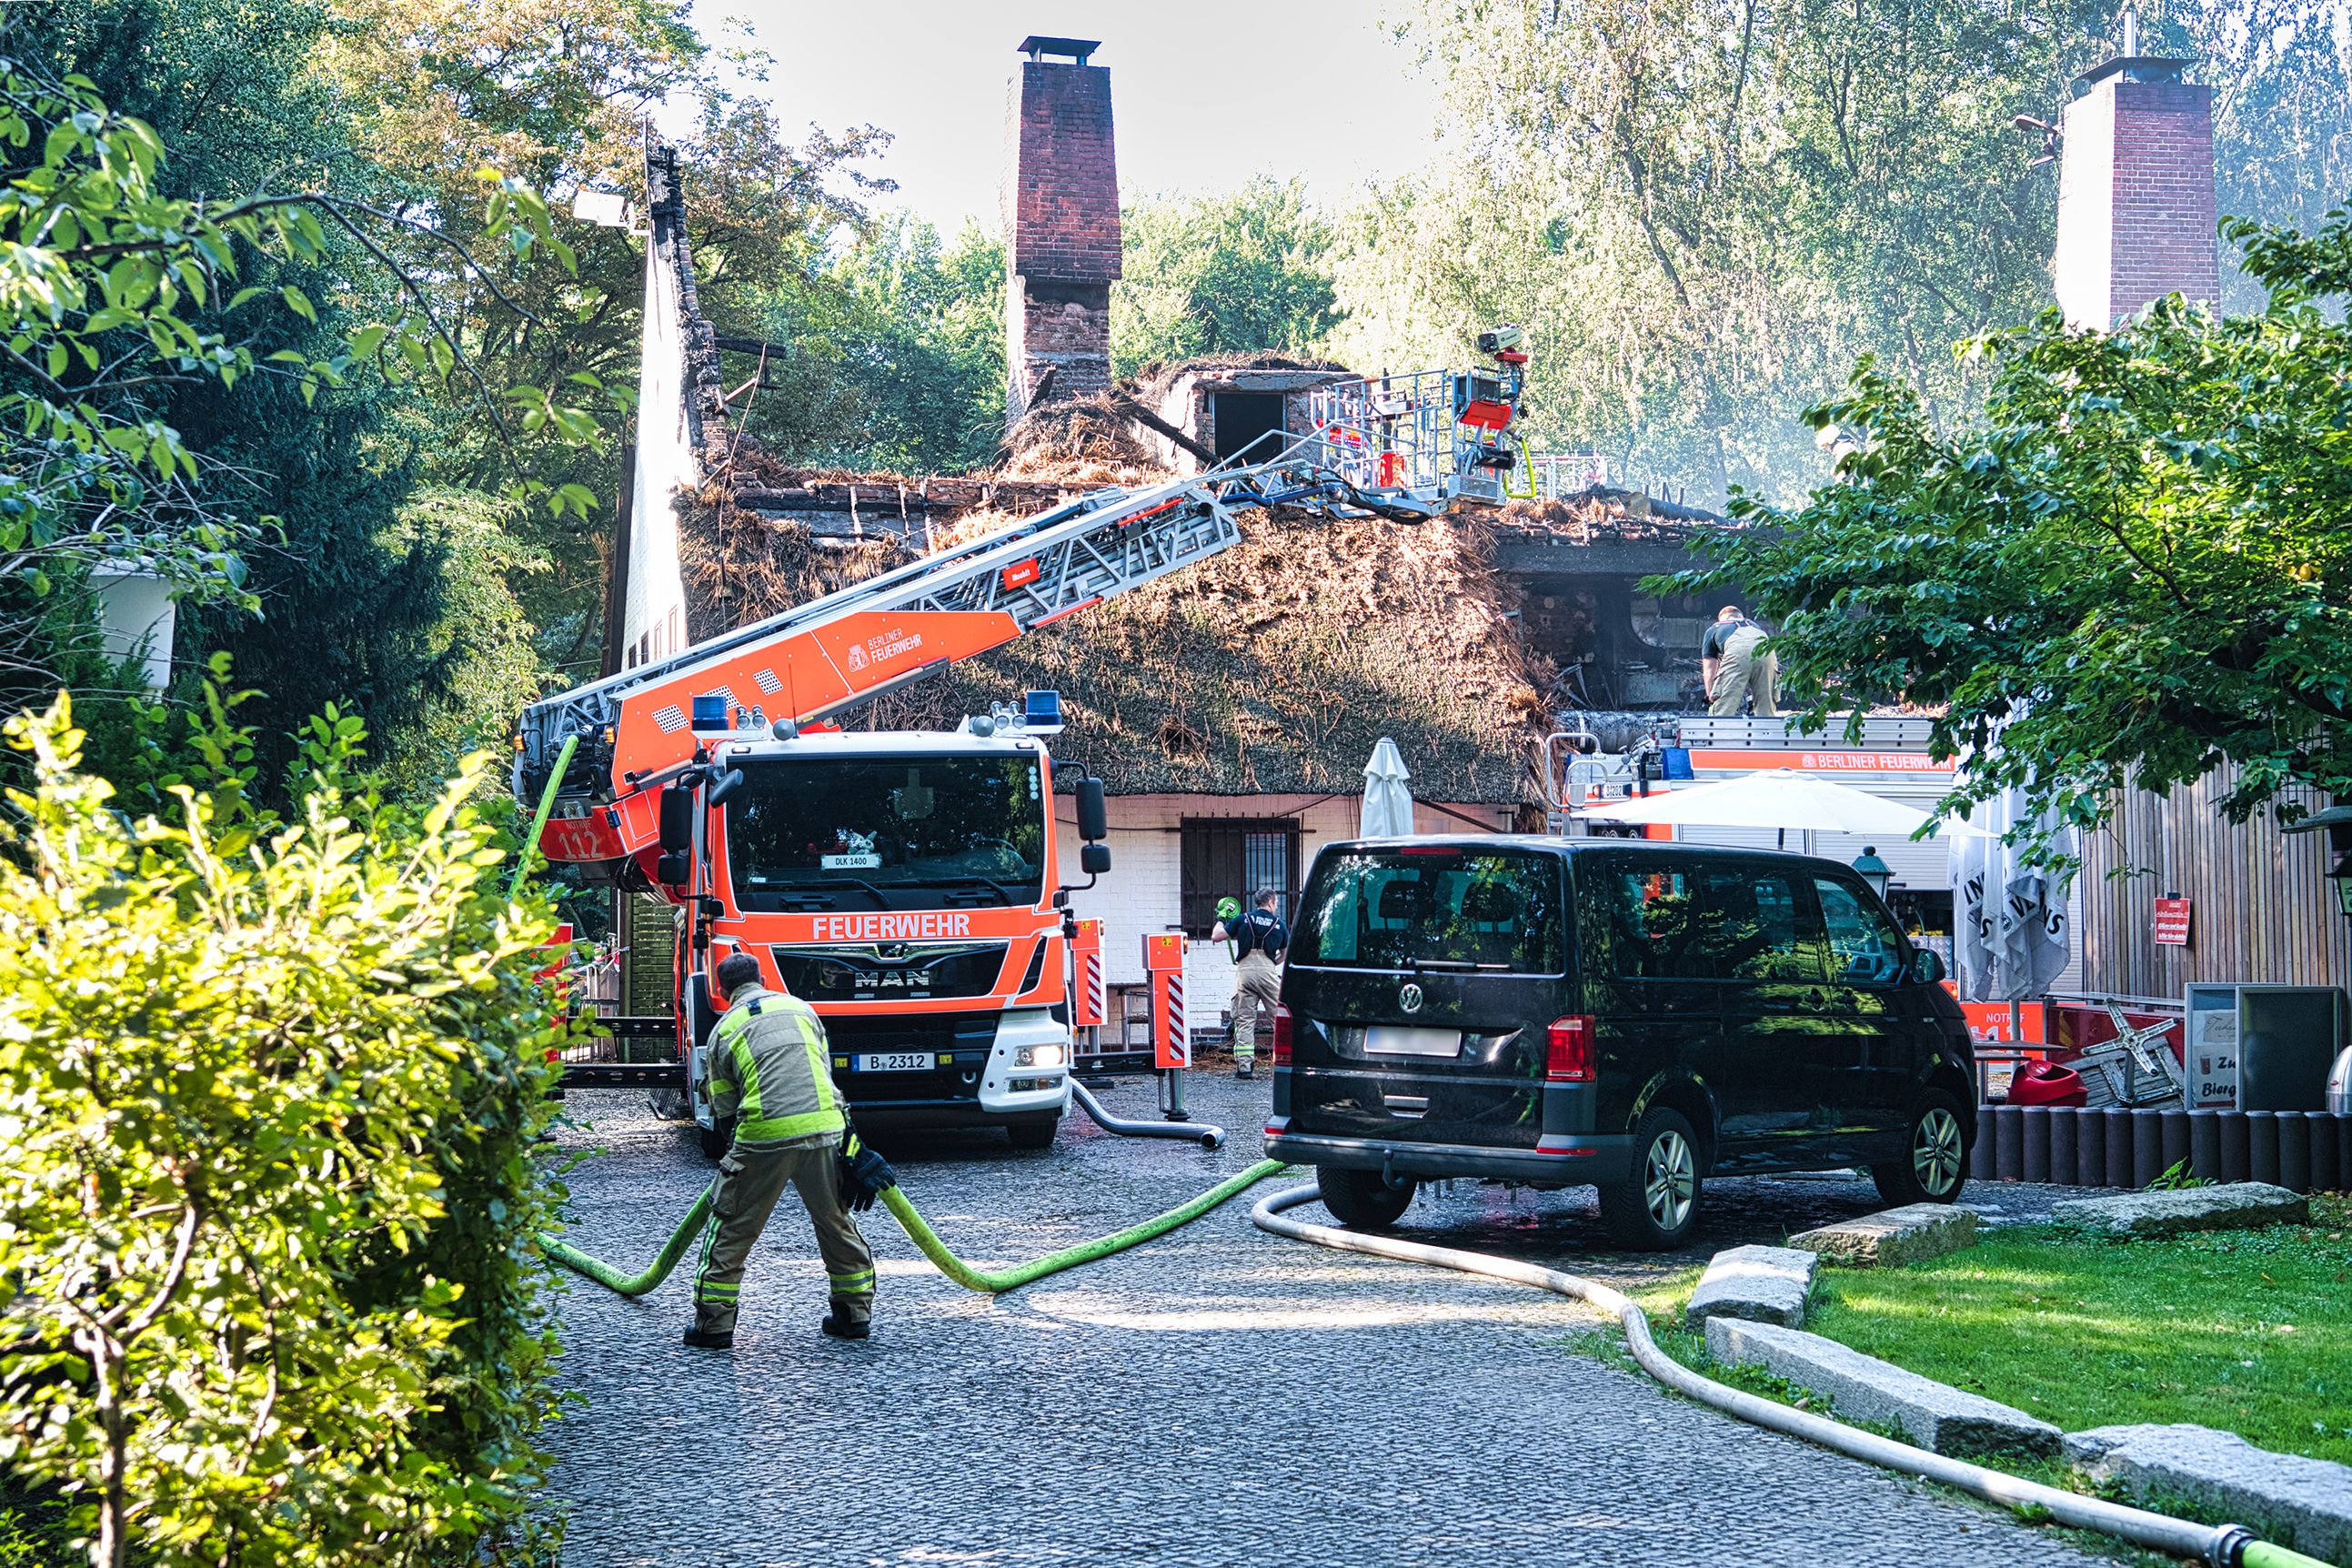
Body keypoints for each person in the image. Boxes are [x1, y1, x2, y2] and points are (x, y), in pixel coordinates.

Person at [686, 952, 876, 1350]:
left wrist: (734, 1157)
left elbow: (724, 1108)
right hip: (824, 1128)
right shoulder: (801, 1009)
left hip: (764, 1134)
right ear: (763, 977)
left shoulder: (724, 1030)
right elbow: (822, 1073)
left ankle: (714, 1326)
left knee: (732, 1228)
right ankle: (853, 1314)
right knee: (835, 1221)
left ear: (722, 990)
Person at [1211, 890, 1288, 1080]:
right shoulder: (1280, 925)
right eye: (1276, 902)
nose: (1276, 905)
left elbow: (1216, 936)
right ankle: (1283, 1064)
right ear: (1270, 902)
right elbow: (1285, 955)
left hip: (1245, 972)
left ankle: (1244, 1068)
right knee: (1280, 1019)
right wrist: (1271, 964)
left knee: (1244, 1020)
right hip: (1268, 971)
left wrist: (1221, 918)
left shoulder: (1243, 919)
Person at [1700, 606, 1778, 718]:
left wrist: (1711, 696)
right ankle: (1766, 731)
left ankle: (1720, 731)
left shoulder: (1715, 628)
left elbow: (1709, 671)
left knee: (1723, 710)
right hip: (1766, 652)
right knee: (1766, 709)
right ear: (1740, 617)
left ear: (1722, 618)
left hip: (1737, 652)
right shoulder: (1754, 625)